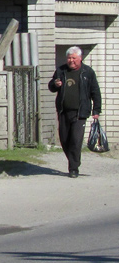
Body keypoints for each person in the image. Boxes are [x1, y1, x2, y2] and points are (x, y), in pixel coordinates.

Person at [48, 46, 102, 178]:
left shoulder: (87, 72)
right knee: (65, 139)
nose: (71, 60)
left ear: (80, 58)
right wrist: (55, 84)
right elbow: (51, 87)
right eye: (69, 58)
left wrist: (96, 110)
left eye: (74, 58)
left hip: (80, 113)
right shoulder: (61, 70)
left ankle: (74, 168)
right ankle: (73, 160)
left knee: (76, 140)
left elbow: (95, 92)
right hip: (63, 112)